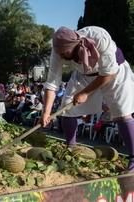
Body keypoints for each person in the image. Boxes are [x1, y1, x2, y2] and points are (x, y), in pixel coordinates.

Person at [40, 26, 134, 172]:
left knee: (121, 112)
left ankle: (133, 159)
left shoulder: (99, 37)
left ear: (75, 45)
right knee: (67, 109)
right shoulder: (57, 53)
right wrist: (46, 112)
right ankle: (71, 150)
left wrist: (85, 93)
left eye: (66, 53)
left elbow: (109, 73)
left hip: (115, 72)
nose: (62, 57)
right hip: (84, 75)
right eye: (60, 54)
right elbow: (52, 83)